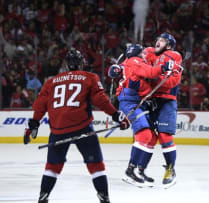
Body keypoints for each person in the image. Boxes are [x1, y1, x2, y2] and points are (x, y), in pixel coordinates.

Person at [23, 48, 130, 203]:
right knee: (96, 164)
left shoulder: (51, 81)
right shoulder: (90, 77)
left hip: (58, 129)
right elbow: (100, 100)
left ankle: (43, 195)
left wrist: (33, 125)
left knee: (52, 166)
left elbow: (40, 105)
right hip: (82, 128)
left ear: (67, 65)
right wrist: (116, 115)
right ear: (81, 63)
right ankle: (104, 196)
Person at [108, 44, 174, 187]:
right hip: (130, 102)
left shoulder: (129, 62)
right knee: (144, 135)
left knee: (152, 136)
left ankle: (139, 170)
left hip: (137, 101)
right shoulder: (134, 61)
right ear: (137, 54)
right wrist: (164, 68)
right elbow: (150, 72)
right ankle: (130, 170)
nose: (145, 55)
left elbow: (118, 73)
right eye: (142, 53)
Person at [142, 33, 183, 189]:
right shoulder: (151, 53)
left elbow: (171, 81)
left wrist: (151, 77)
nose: (159, 42)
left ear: (169, 45)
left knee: (164, 135)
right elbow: (137, 62)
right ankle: (140, 169)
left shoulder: (173, 55)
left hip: (167, 100)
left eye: (163, 41)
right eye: (158, 39)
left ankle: (170, 170)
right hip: (152, 100)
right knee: (150, 136)